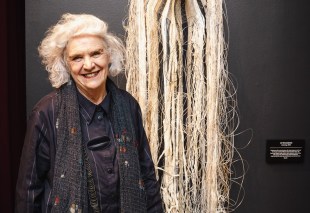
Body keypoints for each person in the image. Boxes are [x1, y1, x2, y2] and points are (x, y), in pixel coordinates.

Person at [15, 13, 163, 213]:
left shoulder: (128, 105)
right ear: (66, 64)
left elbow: (147, 178)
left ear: (109, 55)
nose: (88, 65)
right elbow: (29, 192)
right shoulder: (46, 114)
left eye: (96, 53)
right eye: (77, 58)